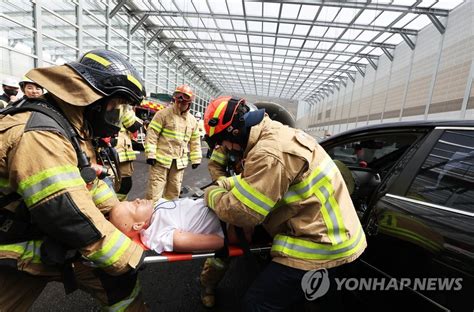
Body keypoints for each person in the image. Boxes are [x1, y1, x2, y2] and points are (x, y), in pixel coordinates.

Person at [0, 49, 148, 311]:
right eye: (114, 106)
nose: (115, 115)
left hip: (45, 236)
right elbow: (68, 214)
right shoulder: (41, 135)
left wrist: (117, 210)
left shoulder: (68, 125)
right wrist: (130, 255)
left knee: (120, 288)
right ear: (93, 100)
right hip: (13, 245)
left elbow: (85, 182)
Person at [201, 96, 367, 310]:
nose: (223, 148)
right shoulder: (275, 134)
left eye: (220, 141)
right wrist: (228, 182)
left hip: (317, 245)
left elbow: (242, 213)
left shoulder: (268, 153)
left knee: (255, 305)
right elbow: (260, 178)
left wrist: (211, 194)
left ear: (234, 132)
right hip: (341, 236)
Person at [144, 84, 202, 201]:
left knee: (173, 193)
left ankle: (168, 215)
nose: (180, 104)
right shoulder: (163, 114)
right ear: (175, 100)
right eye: (178, 101)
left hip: (178, 163)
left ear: (189, 103)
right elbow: (152, 134)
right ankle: (151, 217)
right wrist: (150, 154)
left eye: (184, 103)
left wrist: (196, 159)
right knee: (154, 192)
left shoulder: (192, 121)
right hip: (160, 161)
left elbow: (195, 141)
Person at [109, 198, 227, 253]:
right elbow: (179, 241)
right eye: (134, 205)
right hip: (225, 221)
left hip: (216, 204)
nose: (137, 199)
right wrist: (223, 241)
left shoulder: (153, 214)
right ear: (138, 225)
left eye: (131, 201)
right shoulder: (156, 233)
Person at [115, 105, 143, 201]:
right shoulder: (122, 105)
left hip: (115, 149)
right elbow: (133, 125)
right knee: (124, 184)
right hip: (120, 150)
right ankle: (118, 207)